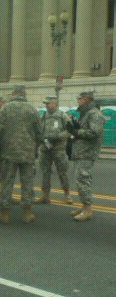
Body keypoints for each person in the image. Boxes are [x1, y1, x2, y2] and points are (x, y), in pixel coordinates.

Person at [0, 84, 42, 224]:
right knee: (27, 182)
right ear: (24, 93)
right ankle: (27, 214)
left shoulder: (5, 108)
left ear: (14, 93)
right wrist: (35, 146)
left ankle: (4, 214)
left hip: (9, 152)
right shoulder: (32, 109)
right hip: (27, 152)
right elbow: (39, 132)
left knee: (7, 182)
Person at [66, 90, 105, 221]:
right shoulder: (85, 113)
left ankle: (87, 210)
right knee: (79, 180)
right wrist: (74, 128)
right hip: (81, 152)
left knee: (83, 179)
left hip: (87, 152)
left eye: (80, 98)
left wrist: (77, 132)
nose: (78, 100)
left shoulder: (94, 114)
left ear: (86, 99)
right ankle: (84, 206)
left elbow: (95, 133)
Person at [35, 96, 73, 205]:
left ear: (55, 104)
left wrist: (58, 137)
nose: (46, 105)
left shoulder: (62, 115)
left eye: (48, 103)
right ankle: (45, 196)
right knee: (45, 172)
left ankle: (67, 194)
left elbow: (70, 130)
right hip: (45, 149)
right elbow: (39, 131)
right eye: (46, 103)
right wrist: (42, 139)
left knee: (62, 172)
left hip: (58, 149)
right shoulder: (44, 116)